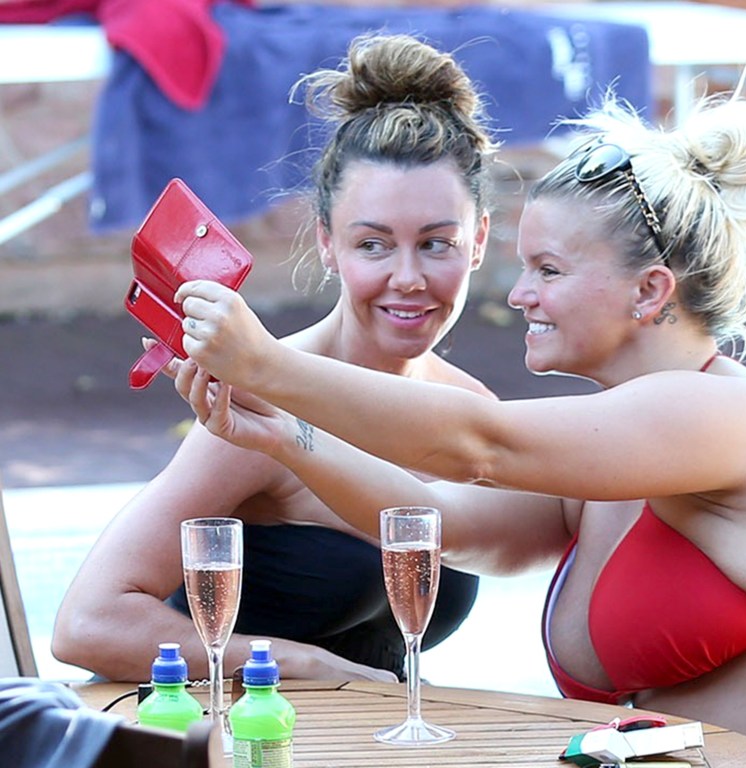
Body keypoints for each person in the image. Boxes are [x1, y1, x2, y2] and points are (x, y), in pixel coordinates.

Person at [170, 92, 746, 767]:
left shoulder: (732, 415)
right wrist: (281, 432)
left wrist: (267, 363)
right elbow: (441, 528)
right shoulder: (612, 449)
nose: (519, 295)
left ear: (650, 292)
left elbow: (478, 445)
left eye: (547, 269)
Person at [51, 33, 500, 683]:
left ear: (479, 240)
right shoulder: (258, 406)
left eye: (436, 243)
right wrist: (299, 664)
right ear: (327, 242)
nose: (408, 277)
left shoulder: (471, 411)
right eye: (373, 245)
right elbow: (88, 624)